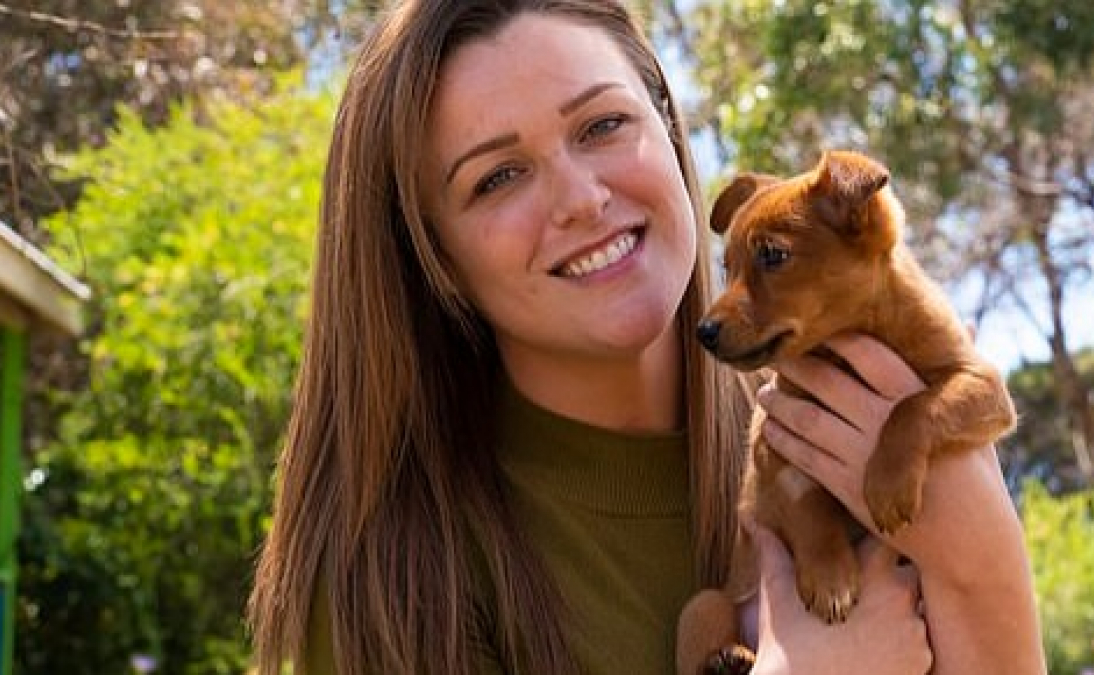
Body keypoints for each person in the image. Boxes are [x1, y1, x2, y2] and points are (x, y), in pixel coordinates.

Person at [248, 1, 1047, 674]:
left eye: (602, 125)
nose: (581, 198)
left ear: (669, 125)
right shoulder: (405, 577)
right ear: (434, 255)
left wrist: (984, 558)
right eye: (496, 178)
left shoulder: (841, 415)